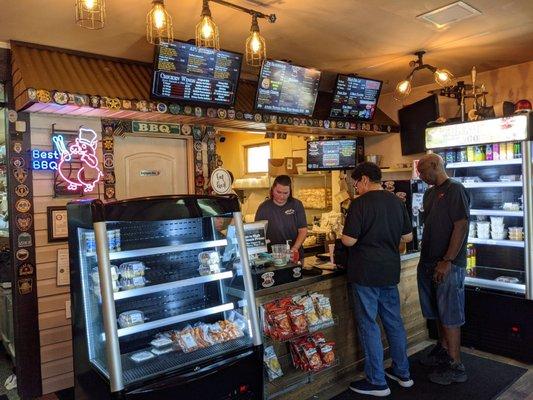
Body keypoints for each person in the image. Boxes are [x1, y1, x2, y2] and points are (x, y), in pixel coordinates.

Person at [341, 162, 414, 397]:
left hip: (365, 273)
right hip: (389, 271)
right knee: (393, 321)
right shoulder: (395, 201)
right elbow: (408, 236)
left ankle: (377, 382)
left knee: (369, 324)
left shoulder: (359, 204)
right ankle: (403, 373)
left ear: (363, 179)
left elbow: (348, 241)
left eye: (356, 183)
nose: (355, 187)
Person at [416, 153, 470, 385]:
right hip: (428, 261)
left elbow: (461, 226)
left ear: (436, 165)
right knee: (437, 311)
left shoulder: (455, 189)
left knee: (450, 313)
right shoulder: (429, 193)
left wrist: (447, 260)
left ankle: (456, 365)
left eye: (422, 170)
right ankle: (443, 349)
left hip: (448, 264)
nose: (419, 174)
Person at [255, 175, 307, 261]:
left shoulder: (296, 205)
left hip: (293, 256)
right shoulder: (263, 208)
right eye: (278, 192)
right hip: (272, 257)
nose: (282, 196)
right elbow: (258, 233)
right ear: (272, 190)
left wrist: (295, 248)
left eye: (285, 193)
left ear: (290, 192)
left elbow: (303, 230)